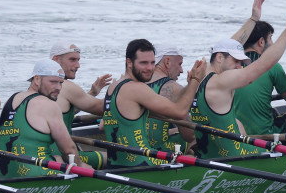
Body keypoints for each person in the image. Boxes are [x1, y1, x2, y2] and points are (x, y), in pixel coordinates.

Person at [190, 7, 286, 158]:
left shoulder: (202, 73)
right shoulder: (221, 81)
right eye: (236, 61)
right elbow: (263, 64)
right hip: (235, 157)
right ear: (219, 58)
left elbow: (228, 46)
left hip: (209, 156)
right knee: (285, 149)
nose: (239, 66)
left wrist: (253, 19)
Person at [102, 39, 206, 167]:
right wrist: (196, 79)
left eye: (152, 63)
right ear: (129, 62)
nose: (150, 68)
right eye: (144, 63)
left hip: (115, 163)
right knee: (190, 156)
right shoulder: (138, 88)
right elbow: (181, 115)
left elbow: (102, 124)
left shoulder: (114, 86)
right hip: (143, 163)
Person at [0, 59, 90, 178]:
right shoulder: (48, 105)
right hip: (37, 175)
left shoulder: (11, 99)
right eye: (53, 82)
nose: (58, 88)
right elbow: (68, 149)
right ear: (36, 79)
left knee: (58, 159)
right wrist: (81, 165)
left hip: (6, 174)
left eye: (60, 83)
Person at [230, 0, 286, 135]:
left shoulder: (230, 65)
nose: (273, 44)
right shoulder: (273, 67)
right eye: (271, 38)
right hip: (264, 136)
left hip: (233, 133)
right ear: (261, 42)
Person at [49, 42, 111, 168]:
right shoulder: (65, 85)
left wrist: (92, 93)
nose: (78, 65)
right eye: (72, 60)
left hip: (41, 155)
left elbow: (63, 113)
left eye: (78, 60)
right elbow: (102, 108)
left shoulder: (40, 84)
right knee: (113, 158)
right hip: (61, 156)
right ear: (56, 59)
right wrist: (122, 92)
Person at [146, 43, 195, 153]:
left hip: (138, 148)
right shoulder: (173, 88)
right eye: (180, 64)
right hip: (160, 153)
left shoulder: (135, 83)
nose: (182, 70)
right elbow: (190, 135)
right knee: (198, 139)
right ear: (167, 62)